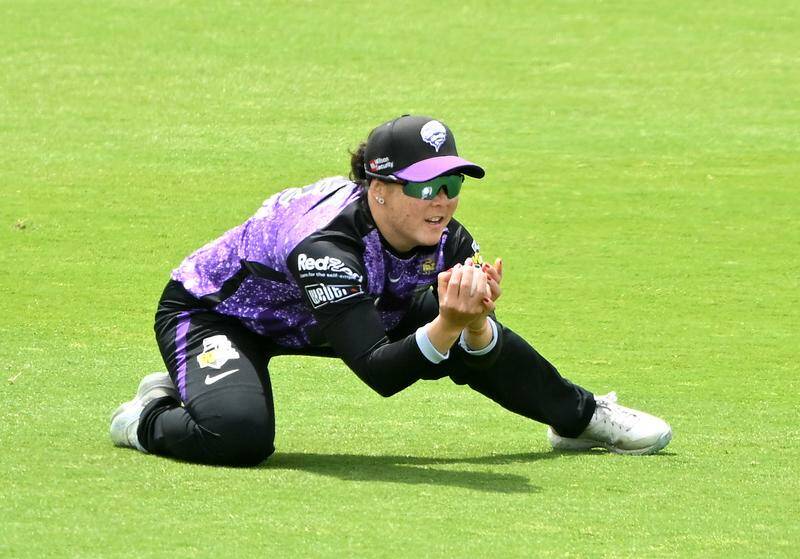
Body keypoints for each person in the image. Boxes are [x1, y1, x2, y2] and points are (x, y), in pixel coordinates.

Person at [110, 114, 672, 466]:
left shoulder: (447, 238)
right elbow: (379, 373)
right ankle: (148, 413)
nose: (443, 201)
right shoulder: (325, 246)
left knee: (462, 320)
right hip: (221, 315)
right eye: (426, 186)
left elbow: (455, 347)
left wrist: (471, 322)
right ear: (378, 188)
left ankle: (578, 419)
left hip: (356, 306)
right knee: (238, 439)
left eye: (452, 185)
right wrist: (448, 326)